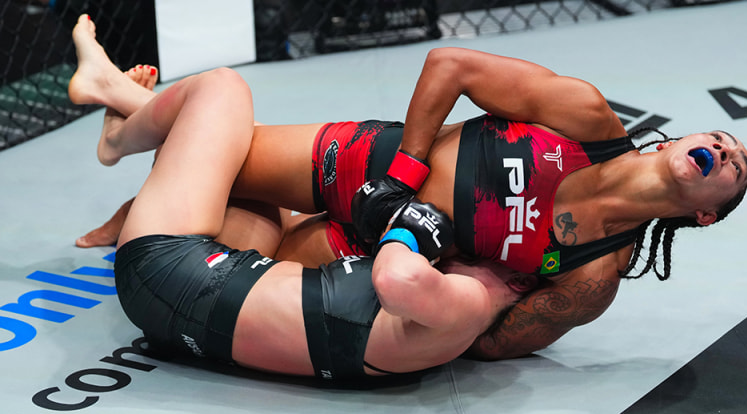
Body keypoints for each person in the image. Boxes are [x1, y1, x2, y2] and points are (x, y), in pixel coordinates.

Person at [73, 17, 747, 361]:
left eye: (735, 167)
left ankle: (132, 182)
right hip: (368, 164)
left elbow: (489, 343)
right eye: (720, 140)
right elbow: (449, 63)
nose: (722, 150)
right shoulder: (585, 119)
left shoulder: (592, 277)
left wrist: (437, 270)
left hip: (377, 250)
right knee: (220, 144)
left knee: (246, 250)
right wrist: (402, 177)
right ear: (674, 141)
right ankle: (117, 112)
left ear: (707, 215)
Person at [68, 14, 524, 380]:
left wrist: (409, 231)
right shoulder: (433, 338)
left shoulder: (469, 304)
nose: (484, 242)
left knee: (221, 87)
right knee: (242, 162)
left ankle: (115, 138)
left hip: (163, 267)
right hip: (179, 314)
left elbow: (396, 279)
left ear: (517, 284)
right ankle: (132, 171)